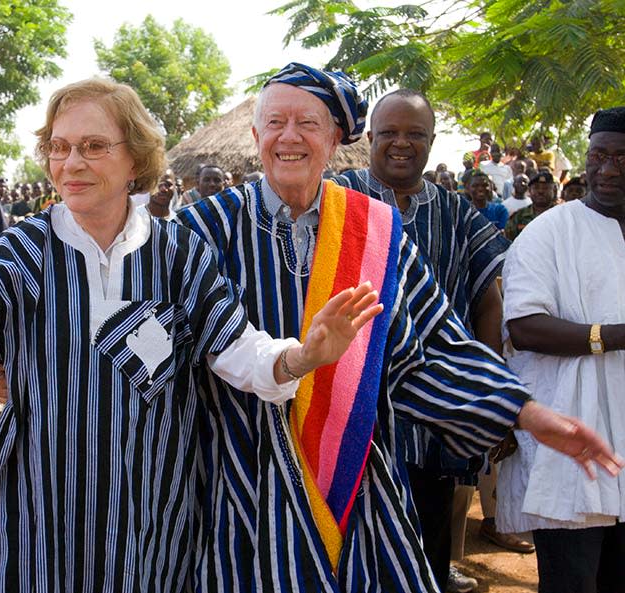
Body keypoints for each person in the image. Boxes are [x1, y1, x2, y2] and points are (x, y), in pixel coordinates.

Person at [0, 78, 385, 593]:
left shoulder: (178, 253)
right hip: (39, 513)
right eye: (59, 147)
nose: (70, 162)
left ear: (136, 160)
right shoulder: (29, 249)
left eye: (93, 146)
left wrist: (303, 356)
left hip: (151, 515)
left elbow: (239, 351)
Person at [176, 64, 621, 593]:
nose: (289, 136)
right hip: (240, 483)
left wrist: (524, 412)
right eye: (275, 122)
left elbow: (432, 348)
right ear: (255, 136)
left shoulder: (374, 232)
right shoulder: (202, 229)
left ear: (336, 139)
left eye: (308, 124)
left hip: (358, 482)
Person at [334, 88, 511, 591]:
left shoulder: (456, 214)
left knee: (428, 547)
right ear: (370, 137)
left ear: (432, 141)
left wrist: (484, 390)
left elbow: (487, 301)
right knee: (349, 550)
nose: (401, 144)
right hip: (350, 409)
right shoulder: (338, 198)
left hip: (432, 418)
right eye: (389, 132)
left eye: (415, 134)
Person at [497, 106, 625, 593]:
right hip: (570, 445)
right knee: (572, 581)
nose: (608, 169)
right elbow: (525, 327)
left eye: (621, 158)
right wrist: (614, 336)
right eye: (598, 156)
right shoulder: (549, 231)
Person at [505, 170, 558, 241]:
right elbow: (509, 242)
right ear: (529, 191)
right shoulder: (519, 216)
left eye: (545, 188)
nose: (540, 191)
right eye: (536, 188)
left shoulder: (561, 215)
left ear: (554, 191)